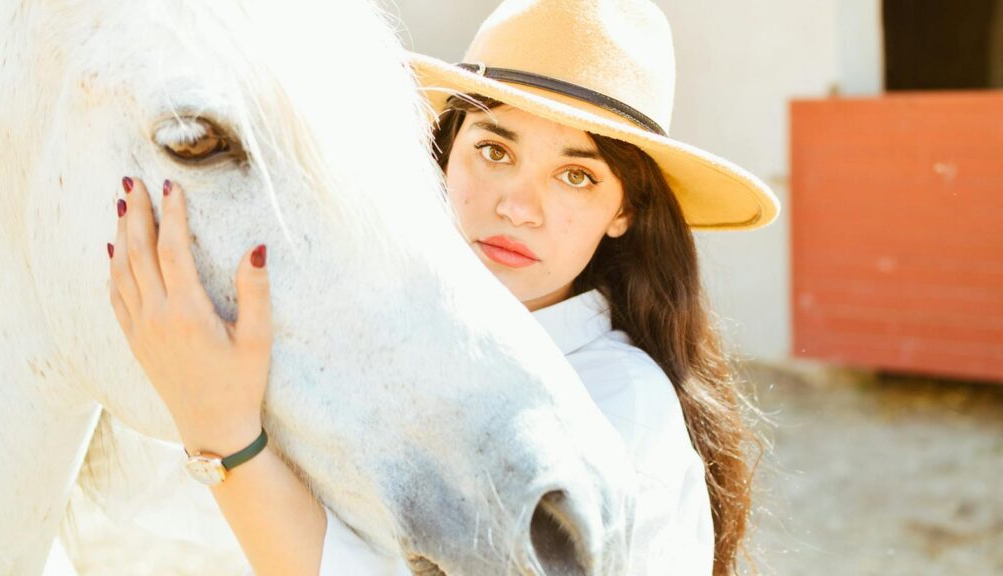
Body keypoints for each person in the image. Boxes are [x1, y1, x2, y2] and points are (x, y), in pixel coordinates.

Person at [106, 0, 780, 574]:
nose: (519, 206)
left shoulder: (620, 400)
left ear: (624, 212)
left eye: (576, 175)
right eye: (494, 150)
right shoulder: (378, 341)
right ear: (443, 154)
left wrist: (224, 436)